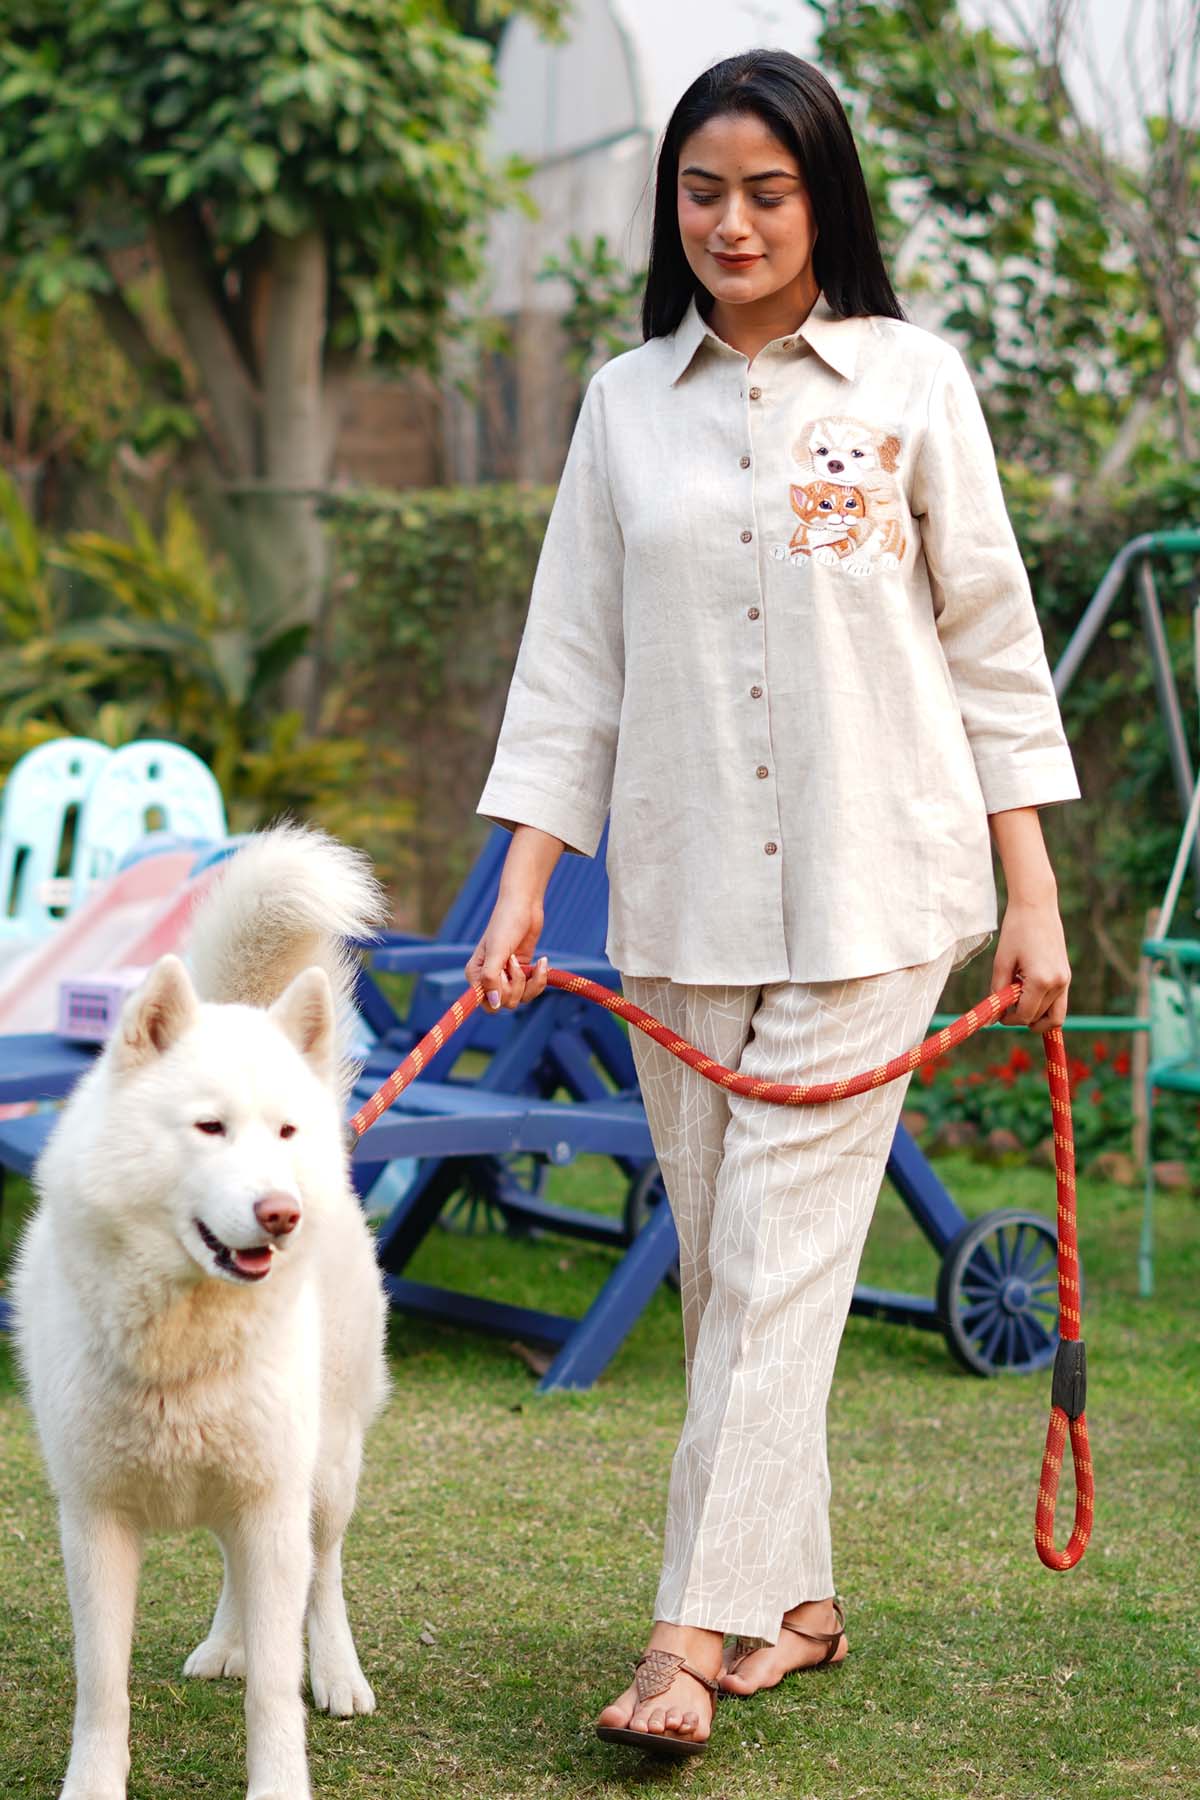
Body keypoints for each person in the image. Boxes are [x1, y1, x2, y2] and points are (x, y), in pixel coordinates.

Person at [466, 49, 1079, 1758]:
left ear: (825, 201)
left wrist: (1032, 894)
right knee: (740, 1281)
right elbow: (570, 664)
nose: (731, 223)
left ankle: (680, 1640)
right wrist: (526, 884)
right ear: (671, 205)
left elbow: (993, 651)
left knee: (772, 1263)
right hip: (677, 902)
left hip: (881, 888)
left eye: (768, 192)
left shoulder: (911, 383)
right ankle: (796, 1604)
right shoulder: (620, 405)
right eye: (702, 191)